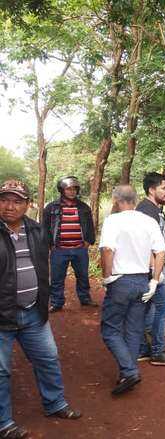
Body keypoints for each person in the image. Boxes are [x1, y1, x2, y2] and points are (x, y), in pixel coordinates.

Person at [0, 180, 82, 438]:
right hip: (2, 317)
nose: (9, 206)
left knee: (47, 359)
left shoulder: (37, 230)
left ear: (27, 204)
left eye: (16, 201)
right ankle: (4, 422)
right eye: (4, 199)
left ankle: (54, 403)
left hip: (34, 312)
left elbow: (42, 266)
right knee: (1, 372)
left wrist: (43, 299)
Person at [98, 185, 165, 396]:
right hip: (142, 281)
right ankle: (128, 371)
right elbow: (160, 250)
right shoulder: (148, 221)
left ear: (116, 200)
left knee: (110, 329)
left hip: (121, 280)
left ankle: (129, 370)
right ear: (135, 200)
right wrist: (154, 280)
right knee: (134, 329)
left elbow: (108, 249)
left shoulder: (113, 220)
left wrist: (107, 276)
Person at [135, 174, 165, 367]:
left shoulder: (153, 209)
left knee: (149, 308)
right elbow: (147, 245)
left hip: (154, 268)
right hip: (153, 269)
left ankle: (143, 349)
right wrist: (156, 274)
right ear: (151, 190)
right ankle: (158, 351)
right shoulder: (147, 211)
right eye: (164, 188)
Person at [42, 176, 97, 312]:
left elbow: (90, 226)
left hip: (80, 249)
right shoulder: (51, 207)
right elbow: (44, 227)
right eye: (68, 189)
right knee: (57, 278)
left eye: (74, 189)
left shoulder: (84, 207)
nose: (72, 192)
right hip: (59, 250)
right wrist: (50, 245)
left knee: (83, 276)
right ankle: (56, 302)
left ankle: (85, 299)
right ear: (62, 190)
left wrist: (88, 242)